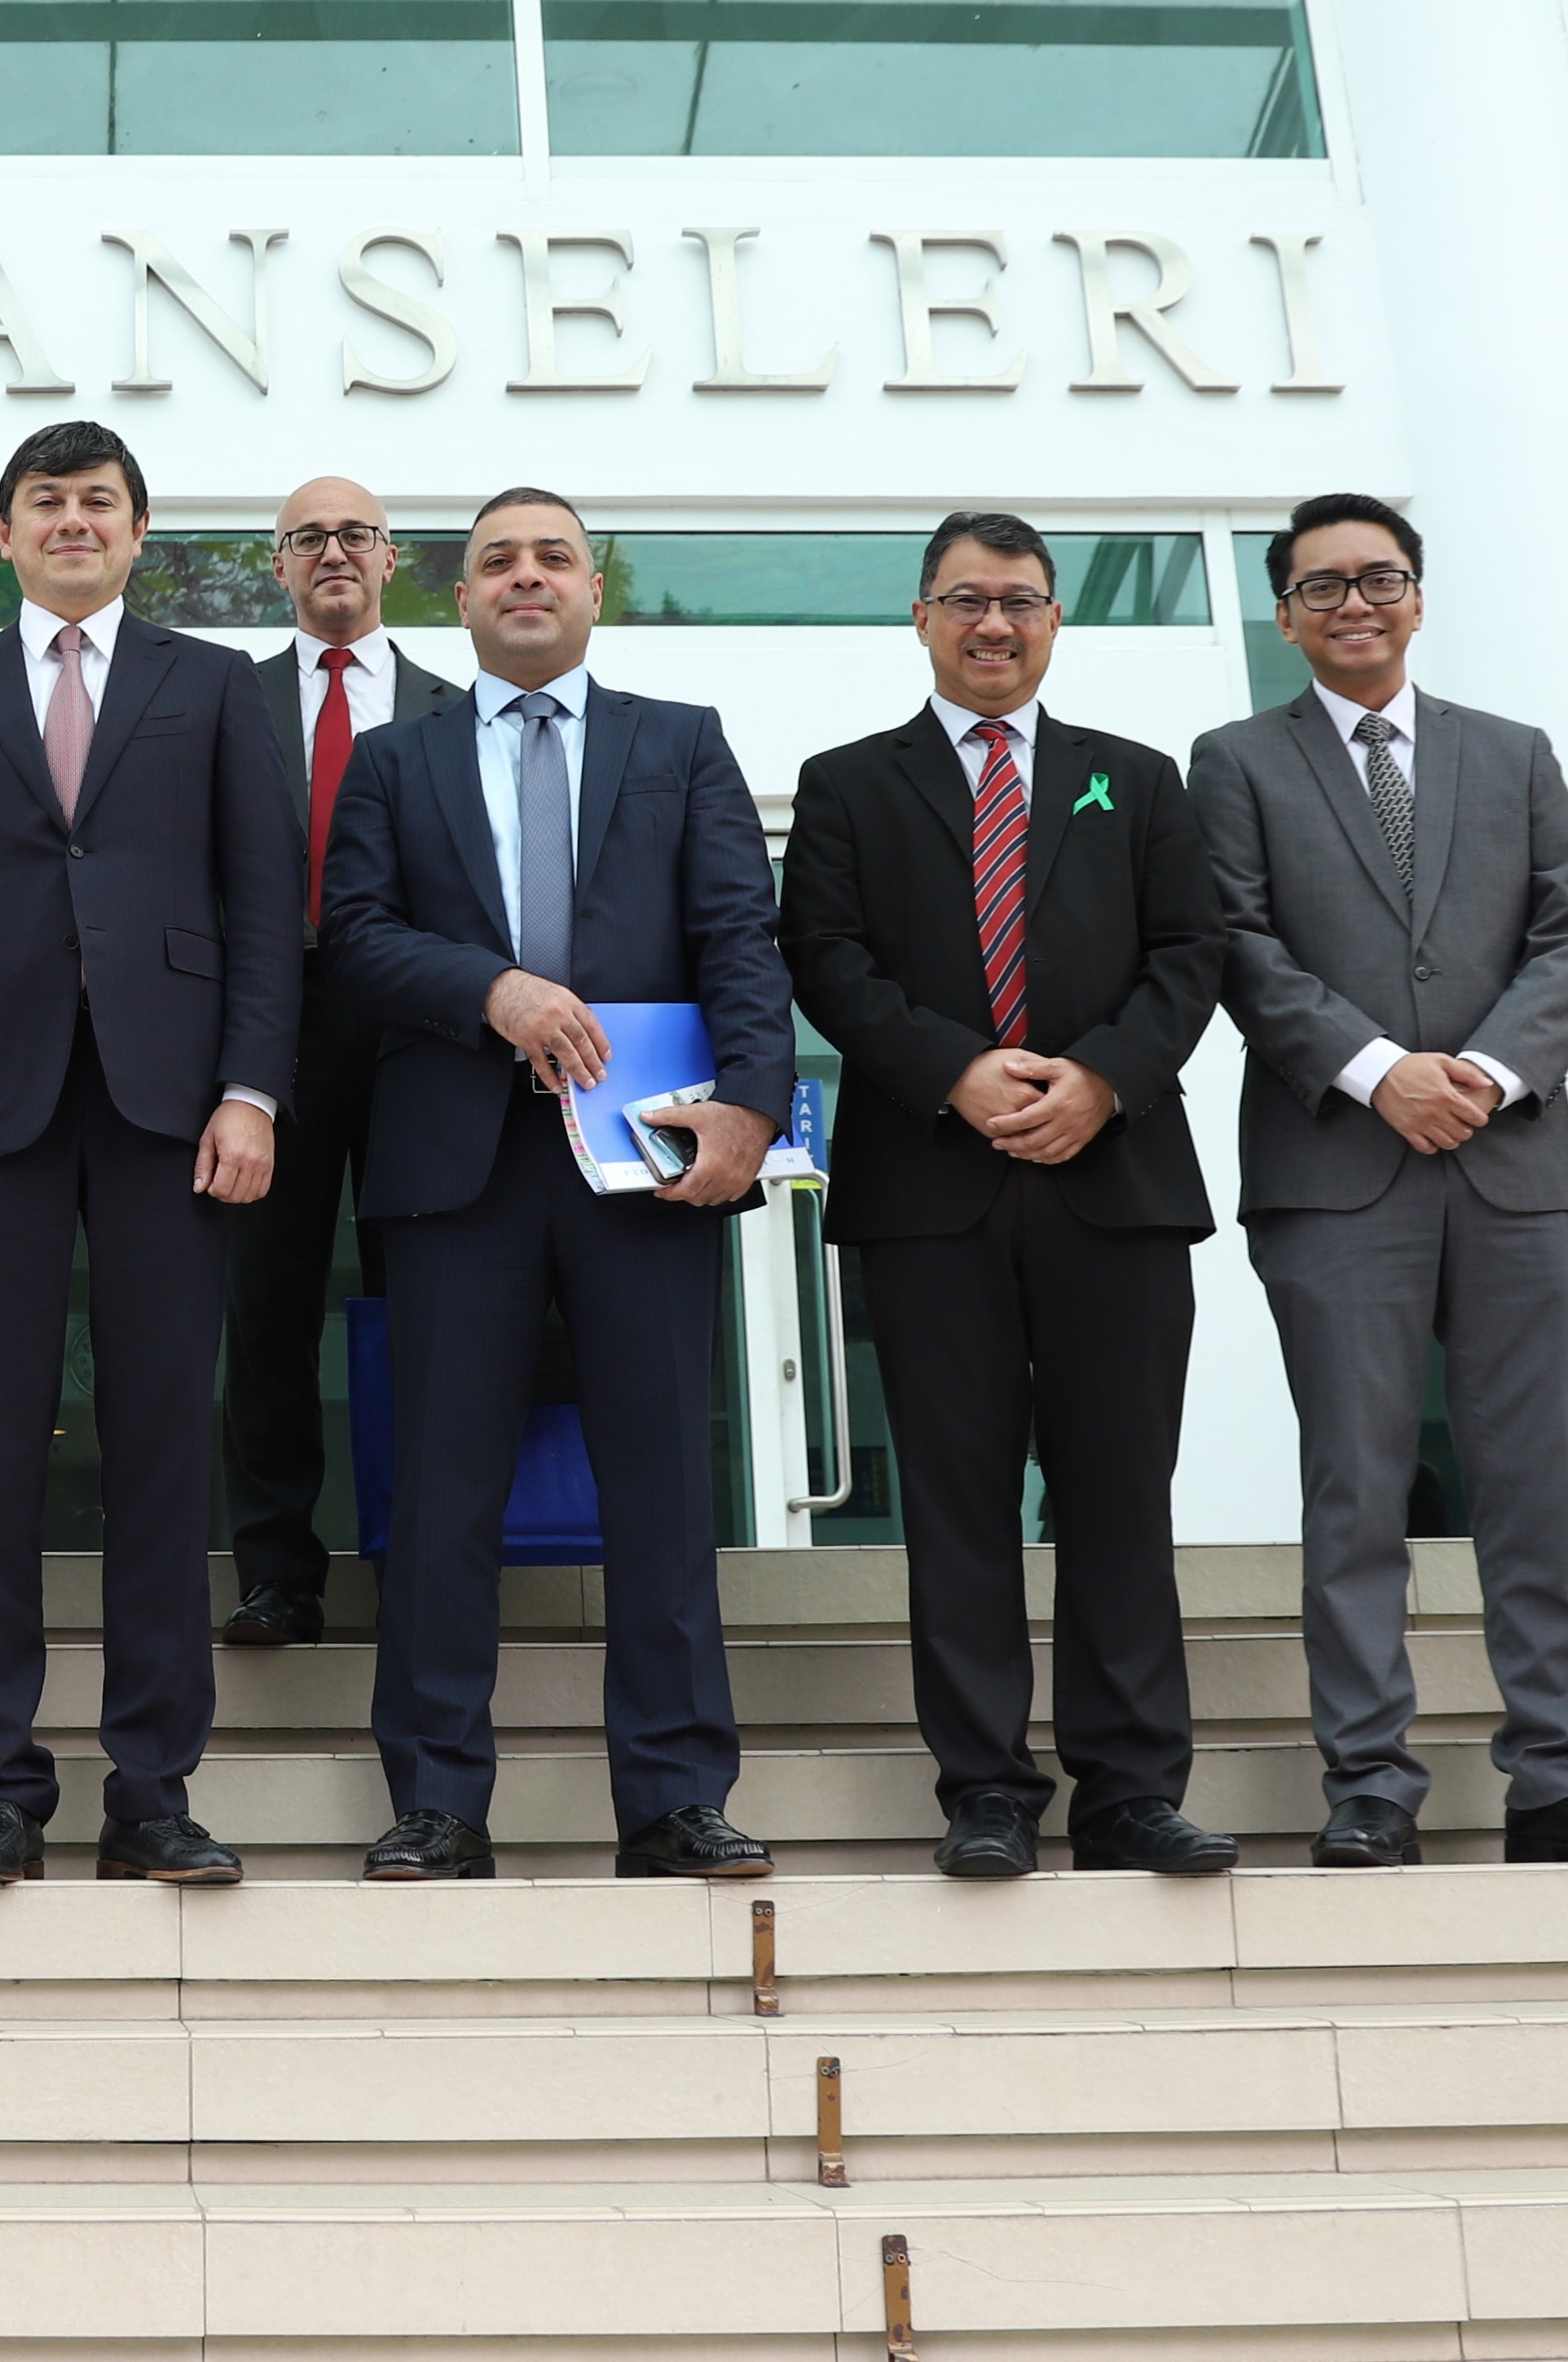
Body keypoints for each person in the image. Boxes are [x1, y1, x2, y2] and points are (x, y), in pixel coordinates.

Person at [1188, 495, 1568, 1870]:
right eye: (1323, 585)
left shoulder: (1513, 752)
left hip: (1513, 1163)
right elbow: (1235, 941)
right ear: (1285, 614)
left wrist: (1481, 1069)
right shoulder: (1235, 761)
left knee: (1534, 1484)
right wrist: (1377, 1071)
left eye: (1380, 577)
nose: (1355, 602)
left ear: (1418, 596)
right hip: (1334, 1171)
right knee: (1355, 1488)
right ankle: (1370, 1781)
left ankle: (1559, 1777)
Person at [315, 487, 795, 1881]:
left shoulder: (681, 742)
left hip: (645, 1166)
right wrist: (495, 989)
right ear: (460, 599)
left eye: (555, 558)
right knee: (443, 1494)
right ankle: (438, 1802)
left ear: (596, 590)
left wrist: (753, 1106)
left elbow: (740, 936)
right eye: (497, 561)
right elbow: (354, 936)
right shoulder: (394, 761)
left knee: (661, 1486)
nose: (526, 576)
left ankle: (675, 1798)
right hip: (456, 1169)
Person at [0, 419, 303, 1889]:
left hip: (174, 1110)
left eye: (97, 500)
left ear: (138, 528)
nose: (72, 520)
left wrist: (253, 1090)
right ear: (3, 533)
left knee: (164, 1445)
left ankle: (153, 1787)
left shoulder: (218, 685)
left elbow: (264, 906)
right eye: (44, 501)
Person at [781, 511, 1230, 1881]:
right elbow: (825, 957)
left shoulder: (1135, 779)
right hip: (932, 1192)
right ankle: (985, 1786)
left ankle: (1131, 1789)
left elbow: (1192, 953)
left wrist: (1102, 1080)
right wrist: (956, 1072)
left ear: (1052, 620)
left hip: (1115, 1183)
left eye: (1021, 599)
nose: (994, 623)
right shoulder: (848, 785)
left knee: (1119, 1496)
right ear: (920, 616)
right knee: (957, 1502)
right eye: (967, 599)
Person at [218, 475, 459, 1654]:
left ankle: (428, 1562)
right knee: (268, 1309)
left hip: (420, 1029)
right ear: (279, 564)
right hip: (275, 1031)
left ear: (390, 557)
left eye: (355, 533)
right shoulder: (228, 702)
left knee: (435, 1305)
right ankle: (279, 1574)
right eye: (307, 536)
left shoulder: (455, 708)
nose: (333, 552)